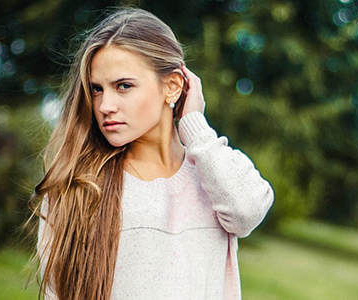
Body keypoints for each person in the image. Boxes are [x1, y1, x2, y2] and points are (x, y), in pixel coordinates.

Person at [30, 7, 274, 300]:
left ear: (172, 86)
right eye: (97, 89)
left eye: (123, 86)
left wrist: (195, 126)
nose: (105, 105)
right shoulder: (77, 189)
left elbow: (247, 213)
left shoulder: (214, 172)